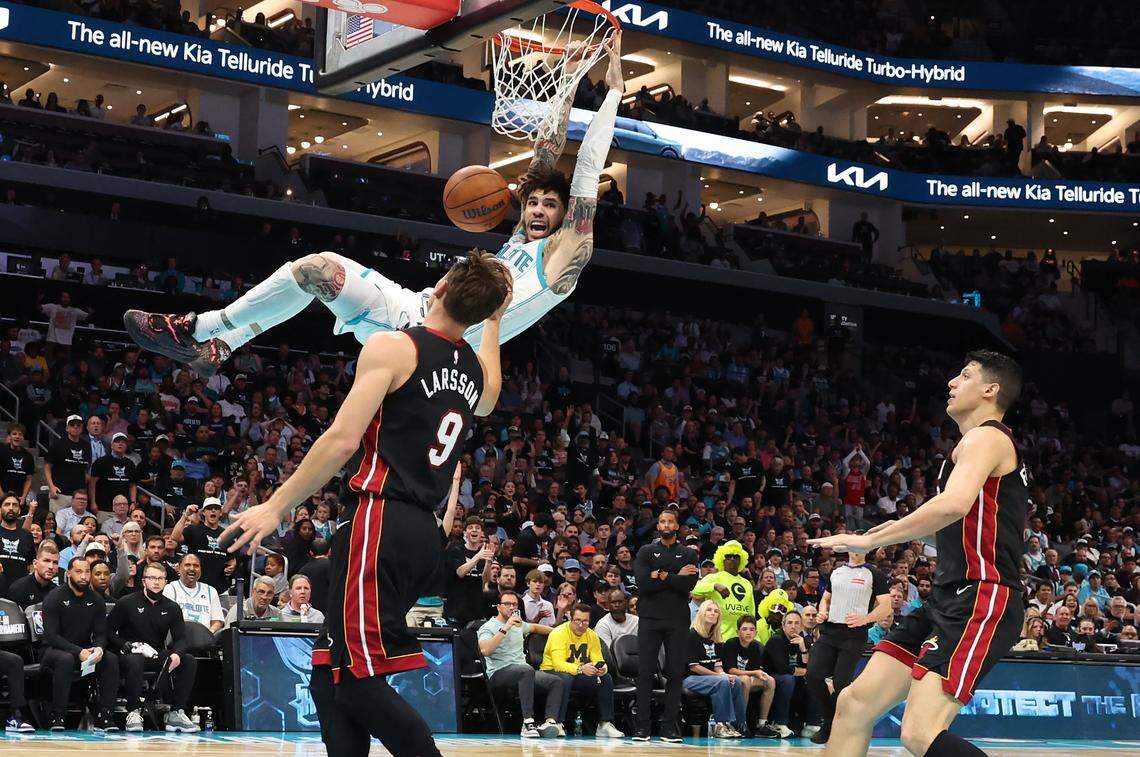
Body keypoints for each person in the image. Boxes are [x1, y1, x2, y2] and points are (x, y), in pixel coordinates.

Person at [123, 42, 626, 378]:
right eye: (533, 201)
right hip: (414, 308)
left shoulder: (567, 252)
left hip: (436, 345)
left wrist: (614, 93)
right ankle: (209, 339)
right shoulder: (520, 239)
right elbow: (545, 150)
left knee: (317, 273)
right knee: (314, 268)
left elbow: (584, 170)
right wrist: (568, 77)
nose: (537, 209)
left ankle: (201, 332)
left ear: (566, 216)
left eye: (549, 205)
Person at [221, 251, 512, 757]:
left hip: (382, 518)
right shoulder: (473, 373)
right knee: (328, 668)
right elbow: (491, 393)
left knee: (354, 680)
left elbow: (341, 440)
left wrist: (276, 505)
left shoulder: (395, 346)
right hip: (421, 532)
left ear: (439, 287)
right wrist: (495, 320)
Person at [810, 350, 1028, 757]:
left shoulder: (988, 437)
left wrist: (872, 542)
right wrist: (872, 532)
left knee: (920, 732)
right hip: (947, 597)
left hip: (982, 596)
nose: (951, 382)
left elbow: (952, 505)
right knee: (854, 705)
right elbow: (944, 522)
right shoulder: (969, 448)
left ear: (990, 389)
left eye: (964, 375)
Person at [806, 541, 891, 744]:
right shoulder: (837, 572)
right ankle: (829, 719)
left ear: (867, 549)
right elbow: (825, 598)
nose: (857, 548)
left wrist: (866, 619)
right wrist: (822, 611)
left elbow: (886, 606)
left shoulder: (874, 574)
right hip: (830, 631)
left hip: (854, 634)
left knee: (841, 682)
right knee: (813, 675)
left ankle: (839, 723)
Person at [632, 509, 699, 742]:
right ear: (658, 526)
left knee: (675, 673)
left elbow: (687, 584)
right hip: (650, 618)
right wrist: (674, 576)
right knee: (645, 673)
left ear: (677, 525)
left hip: (678, 620)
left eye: (670, 521)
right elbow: (643, 584)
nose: (666, 524)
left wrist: (661, 576)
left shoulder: (688, 554)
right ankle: (642, 727)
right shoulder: (646, 551)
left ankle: (669, 727)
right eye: (662, 521)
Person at [109, 562, 200, 733]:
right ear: (143, 581)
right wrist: (124, 645)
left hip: (155, 654)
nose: (156, 582)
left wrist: (177, 654)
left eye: (160, 578)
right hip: (130, 653)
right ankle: (134, 711)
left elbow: (181, 638)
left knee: (189, 660)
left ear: (166, 581)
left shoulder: (172, 607)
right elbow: (108, 631)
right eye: (152, 578)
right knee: (135, 660)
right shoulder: (126, 603)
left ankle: (176, 713)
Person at [39, 555, 120, 732]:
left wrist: (98, 648)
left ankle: (104, 716)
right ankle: (58, 715)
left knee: (111, 659)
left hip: (84, 650)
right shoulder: (54, 597)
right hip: (52, 650)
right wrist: (79, 651)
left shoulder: (97, 599)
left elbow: (100, 633)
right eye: (78, 572)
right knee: (66, 659)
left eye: (86, 572)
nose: (83, 576)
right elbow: (52, 636)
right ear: (68, 573)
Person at [477, 590, 560, 738]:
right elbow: (485, 650)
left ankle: (550, 723)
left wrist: (558, 632)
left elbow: (534, 627)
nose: (511, 607)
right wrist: (506, 627)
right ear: (498, 607)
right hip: (498, 673)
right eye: (507, 604)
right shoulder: (488, 627)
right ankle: (527, 722)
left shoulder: (519, 624)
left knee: (555, 681)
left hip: (521, 672)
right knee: (526, 670)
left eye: (514, 604)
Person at [539, 603, 624, 738]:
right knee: (564, 678)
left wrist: (601, 669)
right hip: (551, 671)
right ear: (571, 619)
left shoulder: (592, 635)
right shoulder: (558, 633)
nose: (581, 625)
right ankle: (558, 723)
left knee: (605, 678)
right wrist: (580, 668)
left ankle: (605, 724)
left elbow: (599, 659)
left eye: (585, 621)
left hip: (577, 672)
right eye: (577, 620)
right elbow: (557, 663)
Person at [684, 600, 746, 738]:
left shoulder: (716, 637)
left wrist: (723, 674)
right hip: (689, 678)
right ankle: (720, 725)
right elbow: (695, 667)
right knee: (722, 682)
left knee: (735, 680)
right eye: (709, 610)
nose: (713, 613)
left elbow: (718, 665)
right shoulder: (691, 635)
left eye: (716, 611)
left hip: (710, 678)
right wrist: (719, 677)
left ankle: (738, 724)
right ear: (701, 613)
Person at [720, 615, 780, 738]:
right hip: (729, 680)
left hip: (747, 679)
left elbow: (756, 670)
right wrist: (754, 673)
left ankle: (762, 724)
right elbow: (731, 670)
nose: (748, 632)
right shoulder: (731, 644)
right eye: (744, 629)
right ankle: (740, 723)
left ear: (756, 632)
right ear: (738, 631)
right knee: (745, 680)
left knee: (771, 681)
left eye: (752, 629)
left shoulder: (756, 647)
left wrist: (759, 674)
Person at [760, 609, 817, 738]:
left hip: (792, 678)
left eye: (797, 623)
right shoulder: (776, 640)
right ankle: (779, 723)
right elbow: (782, 669)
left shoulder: (803, 641)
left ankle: (812, 724)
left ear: (801, 626)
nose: (793, 626)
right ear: (783, 625)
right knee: (787, 679)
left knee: (815, 681)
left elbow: (810, 665)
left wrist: (803, 649)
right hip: (771, 677)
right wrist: (806, 672)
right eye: (790, 623)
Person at [691, 539, 754, 641]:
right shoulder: (713, 578)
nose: (732, 559)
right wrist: (714, 586)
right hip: (719, 637)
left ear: (741, 559)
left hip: (741, 640)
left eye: (736, 556)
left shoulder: (747, 584)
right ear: (722, 559)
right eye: (728, 556)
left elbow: (751, 613)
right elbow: (693, 589)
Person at [444, 515, 496, 626]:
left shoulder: (483, 552)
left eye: (477, 528)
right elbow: (460, 572)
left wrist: (488, 562)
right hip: (456, 610)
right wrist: (478, 556)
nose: (474, 530)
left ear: (482, 533)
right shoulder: (456, 550)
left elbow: (485, 581)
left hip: (475, 611)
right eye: (470, 527)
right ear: (465, 533)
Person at [171, 498, 229, 591]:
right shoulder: (193, 530)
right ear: (204, 512)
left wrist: (233, 562)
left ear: (221, 512)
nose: (213, 510)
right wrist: (185, 515)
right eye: (209, 508)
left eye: (216, 508)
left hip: (221, 589)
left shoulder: (226, 533)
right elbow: (174, 537)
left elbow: (233, 555)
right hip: (196, 587)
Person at [163, 553, 224, 633]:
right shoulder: (171, 588)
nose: (192, 569)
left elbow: (217, 621)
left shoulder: (210, 591)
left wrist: (208, 634)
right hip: (178, 640)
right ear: (178, 568)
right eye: (187, 565)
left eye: (196, 566)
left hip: (205, 641)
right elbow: (166, 620)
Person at [44, 415, 90, 510]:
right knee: (57, 524)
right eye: (72, 425)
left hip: (79, 496)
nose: (76, 427)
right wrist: (51, 486)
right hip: (60, 494)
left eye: (78, 425)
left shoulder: (86, 446)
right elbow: (47, 467)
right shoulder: (58, 444)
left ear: (82, 428)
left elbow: (85, 468)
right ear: (67, 428)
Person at [7, 541, 59, 608]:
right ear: (35, 564)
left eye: (55, 562)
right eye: (46, 561)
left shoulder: (56, 593)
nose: (51, 566)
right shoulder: (18, 588)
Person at [0, 424, 35, 502]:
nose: (17, 436)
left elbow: (28, 479)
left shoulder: (28, 456)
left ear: (23, 437)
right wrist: (2, 496)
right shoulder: (2, 452)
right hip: (2, 495)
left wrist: (23, 497)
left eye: (20, 434)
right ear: (9, 436)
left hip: (19, 498)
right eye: (14, 434)